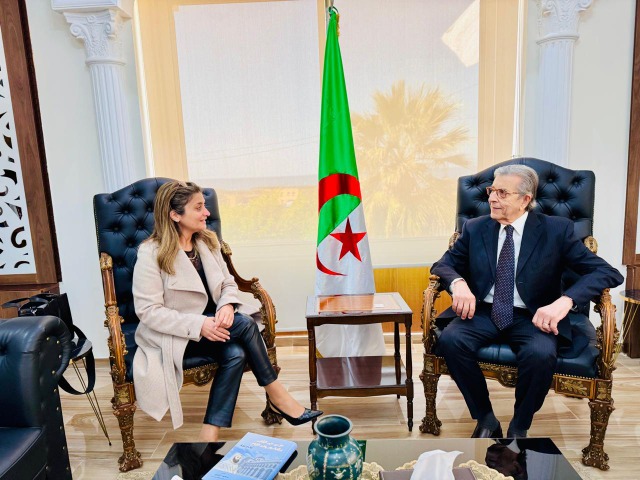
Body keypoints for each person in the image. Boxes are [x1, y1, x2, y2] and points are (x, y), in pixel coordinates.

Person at [431, 164, 623, 439]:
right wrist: (458, 283)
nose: (492, 198)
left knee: (540, 354)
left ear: (525, 199)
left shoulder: (556, 230)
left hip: (534, 315)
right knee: (451, 340)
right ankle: (486, 419)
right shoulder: (475, 227)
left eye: (502, 193)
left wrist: (565, 301)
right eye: (491, 190)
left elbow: (607, 272)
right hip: (484, 310)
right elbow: (443, 265)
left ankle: (520, 426)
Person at [132, 180, 322, 441]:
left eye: (205, 206)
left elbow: (229, 283)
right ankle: (278, 397)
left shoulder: (207, 242)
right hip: (177, 336)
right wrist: (200, 325)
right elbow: (148, 311)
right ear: (175, 215)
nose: (206, 212)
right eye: (198, 207)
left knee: (236, 353)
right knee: (246, 324)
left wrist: (227, 306)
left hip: (218, 327)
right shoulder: (150, 253)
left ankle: (209, 433)